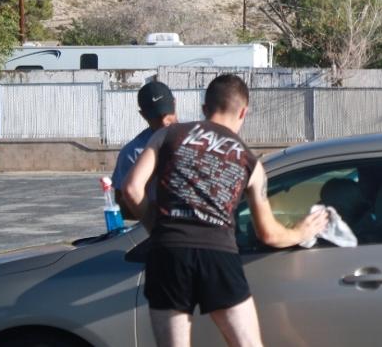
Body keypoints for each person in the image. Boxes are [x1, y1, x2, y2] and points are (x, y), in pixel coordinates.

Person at [123, 74, 328, 347]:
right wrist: (302, 230)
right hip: (218, 255)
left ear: (204, 108)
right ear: (244, 111)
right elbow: (269, 235)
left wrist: (159, 230)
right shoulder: (251, 163)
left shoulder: (167, 134)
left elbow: (131, 190)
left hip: (168, 254)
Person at [112, 80, 178, 220]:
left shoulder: (197, 140)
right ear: (143, 115)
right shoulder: (131, 153)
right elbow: (122, 208)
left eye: (167, 114)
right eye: (156, 117)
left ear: (174, 104)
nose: (164, 122)